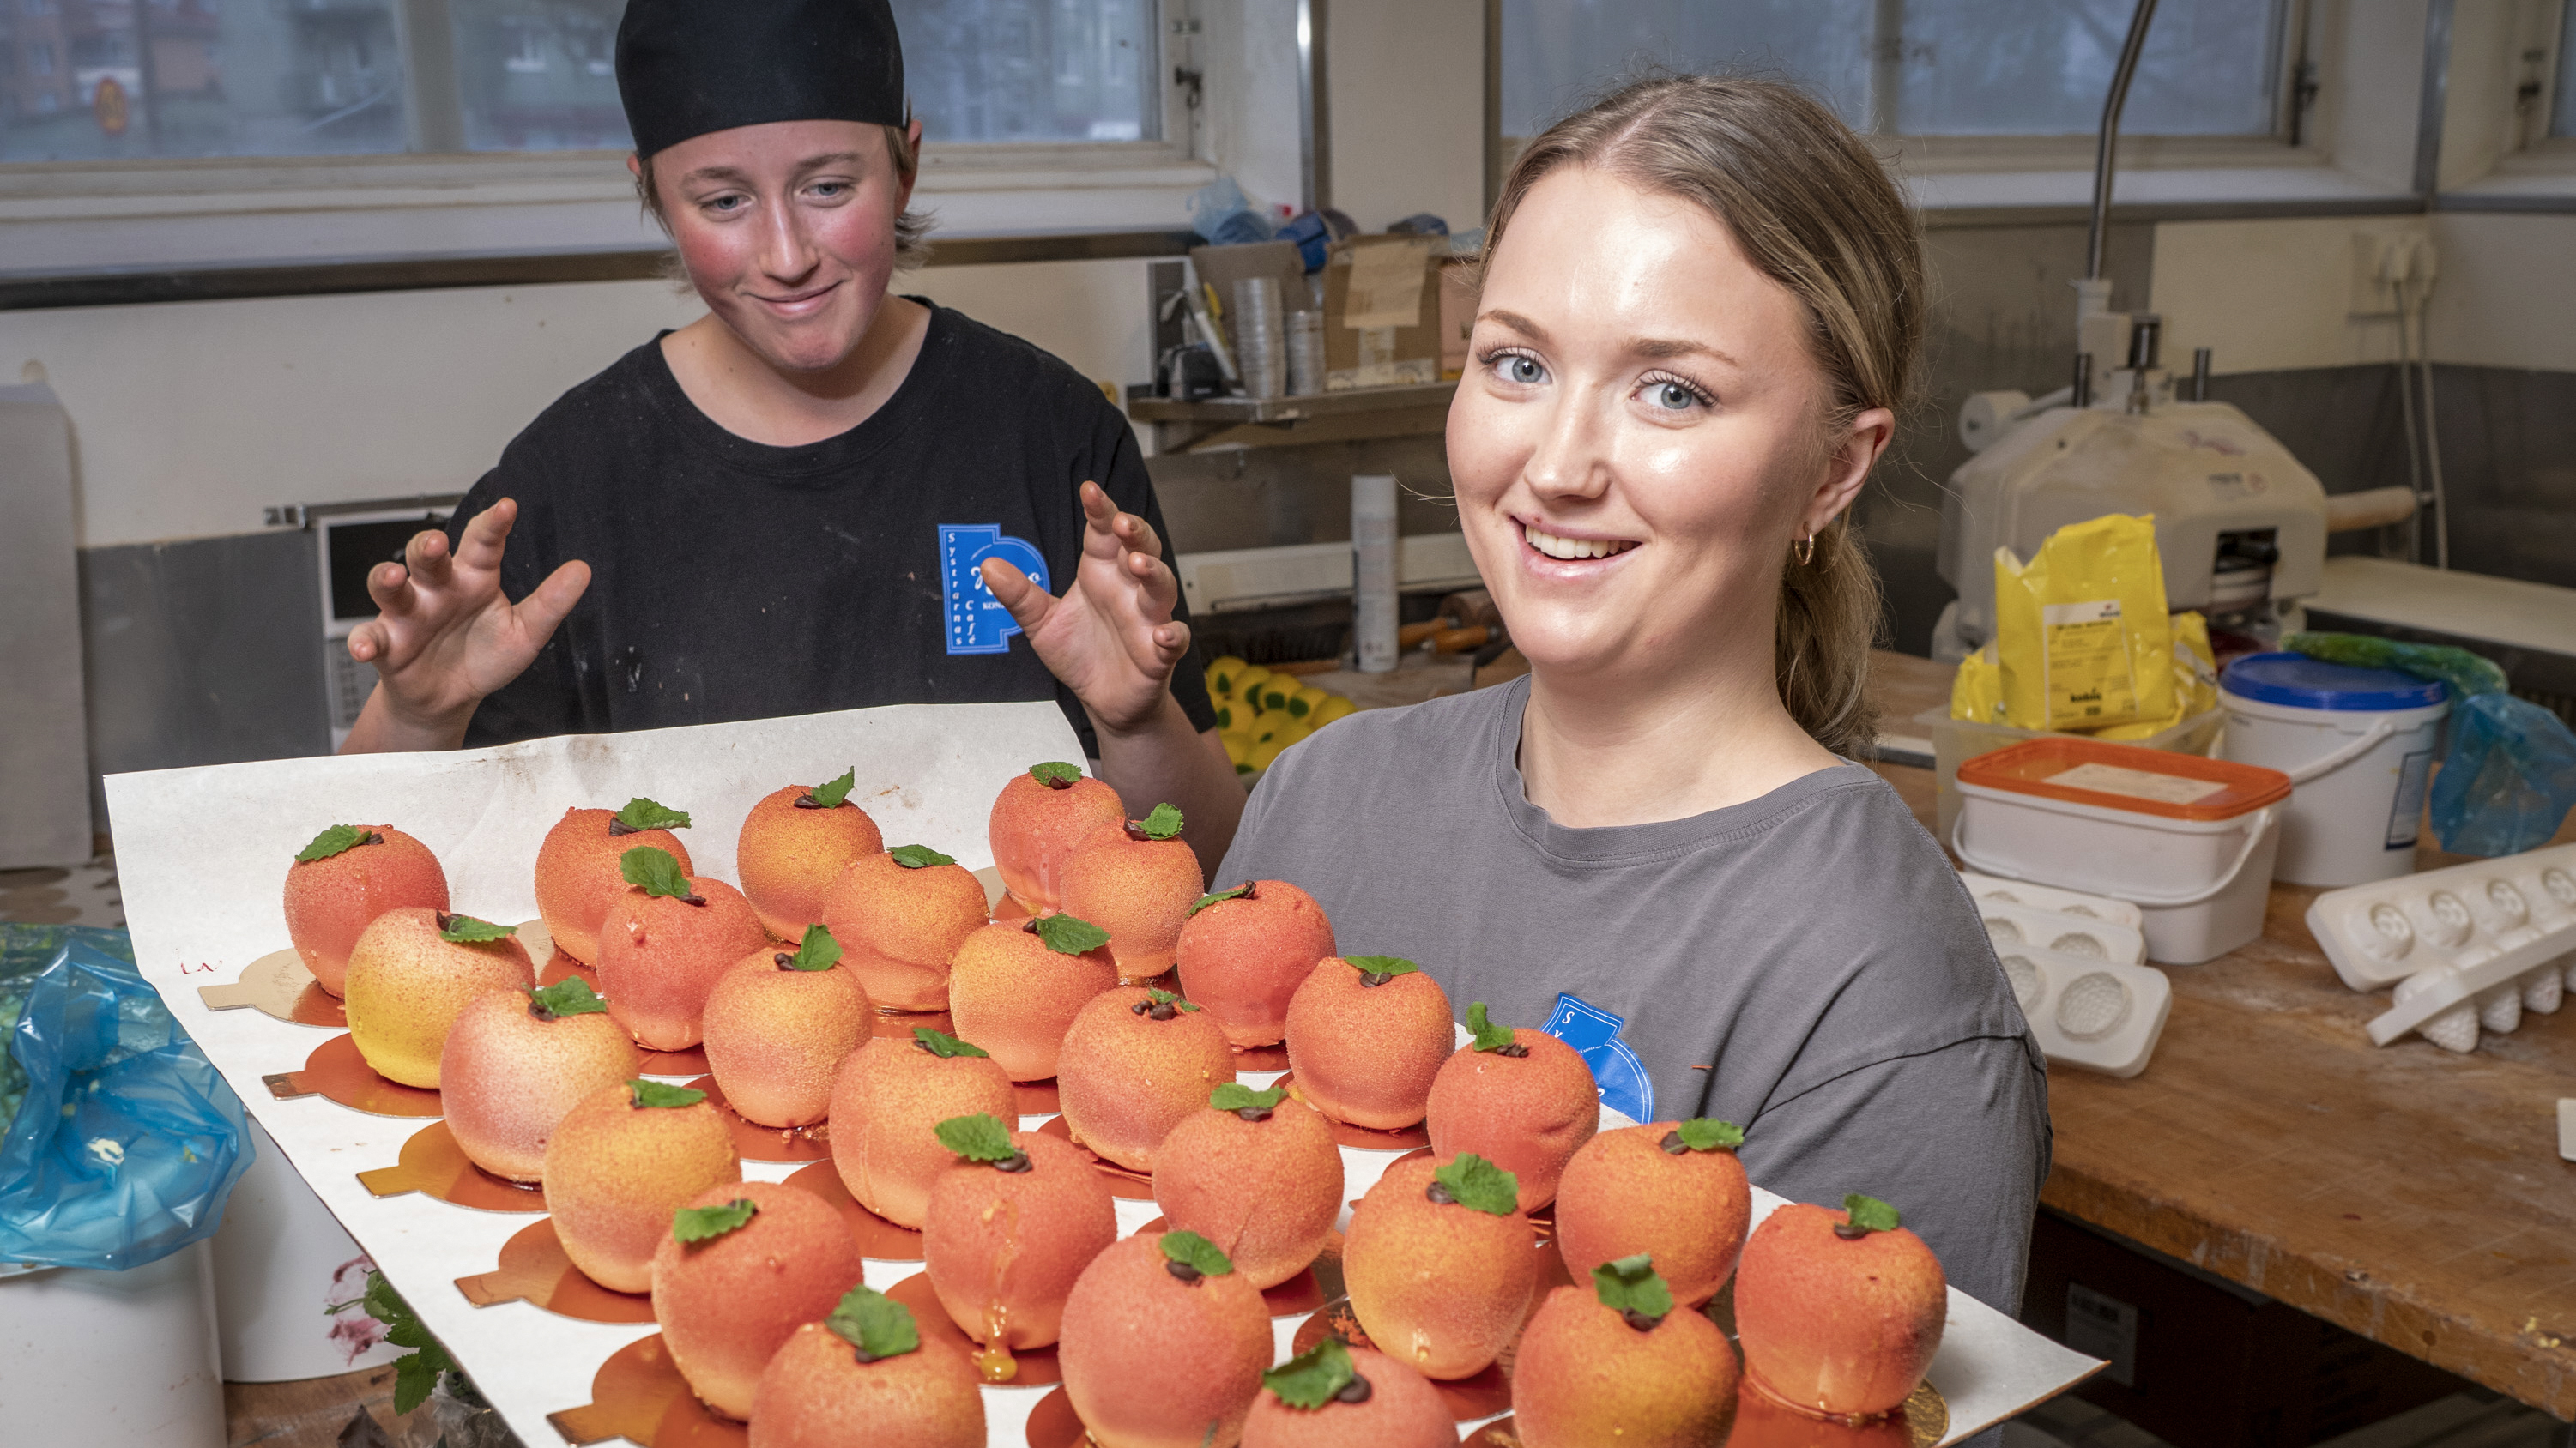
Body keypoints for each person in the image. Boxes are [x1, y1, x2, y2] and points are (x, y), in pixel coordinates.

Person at [1217, 75, 2049, 1314]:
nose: (1554, 466)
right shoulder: (1321, 802)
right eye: (1516, 364)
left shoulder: (1869, 985)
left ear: (1834, 468)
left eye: (1672, 392)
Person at [335, 0, 1243, 872]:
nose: (785, 254)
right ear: (651, 194)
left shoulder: (1052, 435)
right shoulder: (568, 480)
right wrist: (415, 720)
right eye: (723, 202)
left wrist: (1132, 725)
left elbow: (1206, 856)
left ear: (906, 169)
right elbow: (373, 875)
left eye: (827, 187)